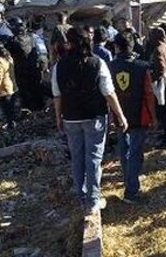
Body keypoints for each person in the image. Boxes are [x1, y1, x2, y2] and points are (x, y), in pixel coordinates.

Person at [52, 27, 128, 213]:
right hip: (94, 117)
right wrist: (120, 115)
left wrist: (58, 117)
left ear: (68, 43)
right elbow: (109, 93)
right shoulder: (97, 63)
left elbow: (57, 95)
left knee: (77, 158)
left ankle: (82, 197)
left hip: (70, 117)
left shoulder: (59, 66)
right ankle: (93, 201)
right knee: (93, 158)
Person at [109, 31, 157, 203]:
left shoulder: (110, 66)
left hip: (119, 115)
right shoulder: (142, 67)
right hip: (139, 114)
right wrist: (154, 117)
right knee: (136, 152)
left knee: (124, 150)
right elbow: (149, 94)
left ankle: (129, 181)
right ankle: (131, 190)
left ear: (116, 47)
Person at [7, 17, 49, 111]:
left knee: (26, 91)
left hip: (22, 70)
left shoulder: (13, 41)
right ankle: (41, 107)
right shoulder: (32, 36)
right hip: (36, 68)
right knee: (37, 87)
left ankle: (31, 110)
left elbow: (6, 52)